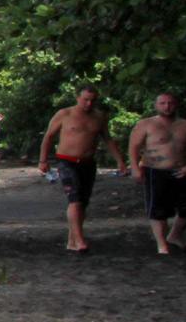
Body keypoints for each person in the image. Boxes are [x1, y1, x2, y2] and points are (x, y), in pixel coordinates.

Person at [36, 85, 127, 252]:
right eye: (85, 99)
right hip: (66, 161)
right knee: (75, 200)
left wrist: (120, 161)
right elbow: (48, 137)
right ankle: (80, 241)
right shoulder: (65, 114)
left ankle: (72, 240)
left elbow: (108, 139)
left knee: (83, 203)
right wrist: (43, 160)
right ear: (78, 98)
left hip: (87, 163)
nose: (89, 103)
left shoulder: (99, 117)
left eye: (92, 100)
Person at [125, 92, 186, 254]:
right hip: (155, 171)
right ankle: (162, 244)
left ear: (176, 105)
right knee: (158, 209)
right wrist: (135, 168)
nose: (167, 106)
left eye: (170, 103)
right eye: (162, 103)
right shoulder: (145, 124)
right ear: (156, 105)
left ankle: (175, 235)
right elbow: (133, 147)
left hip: (180, 170)